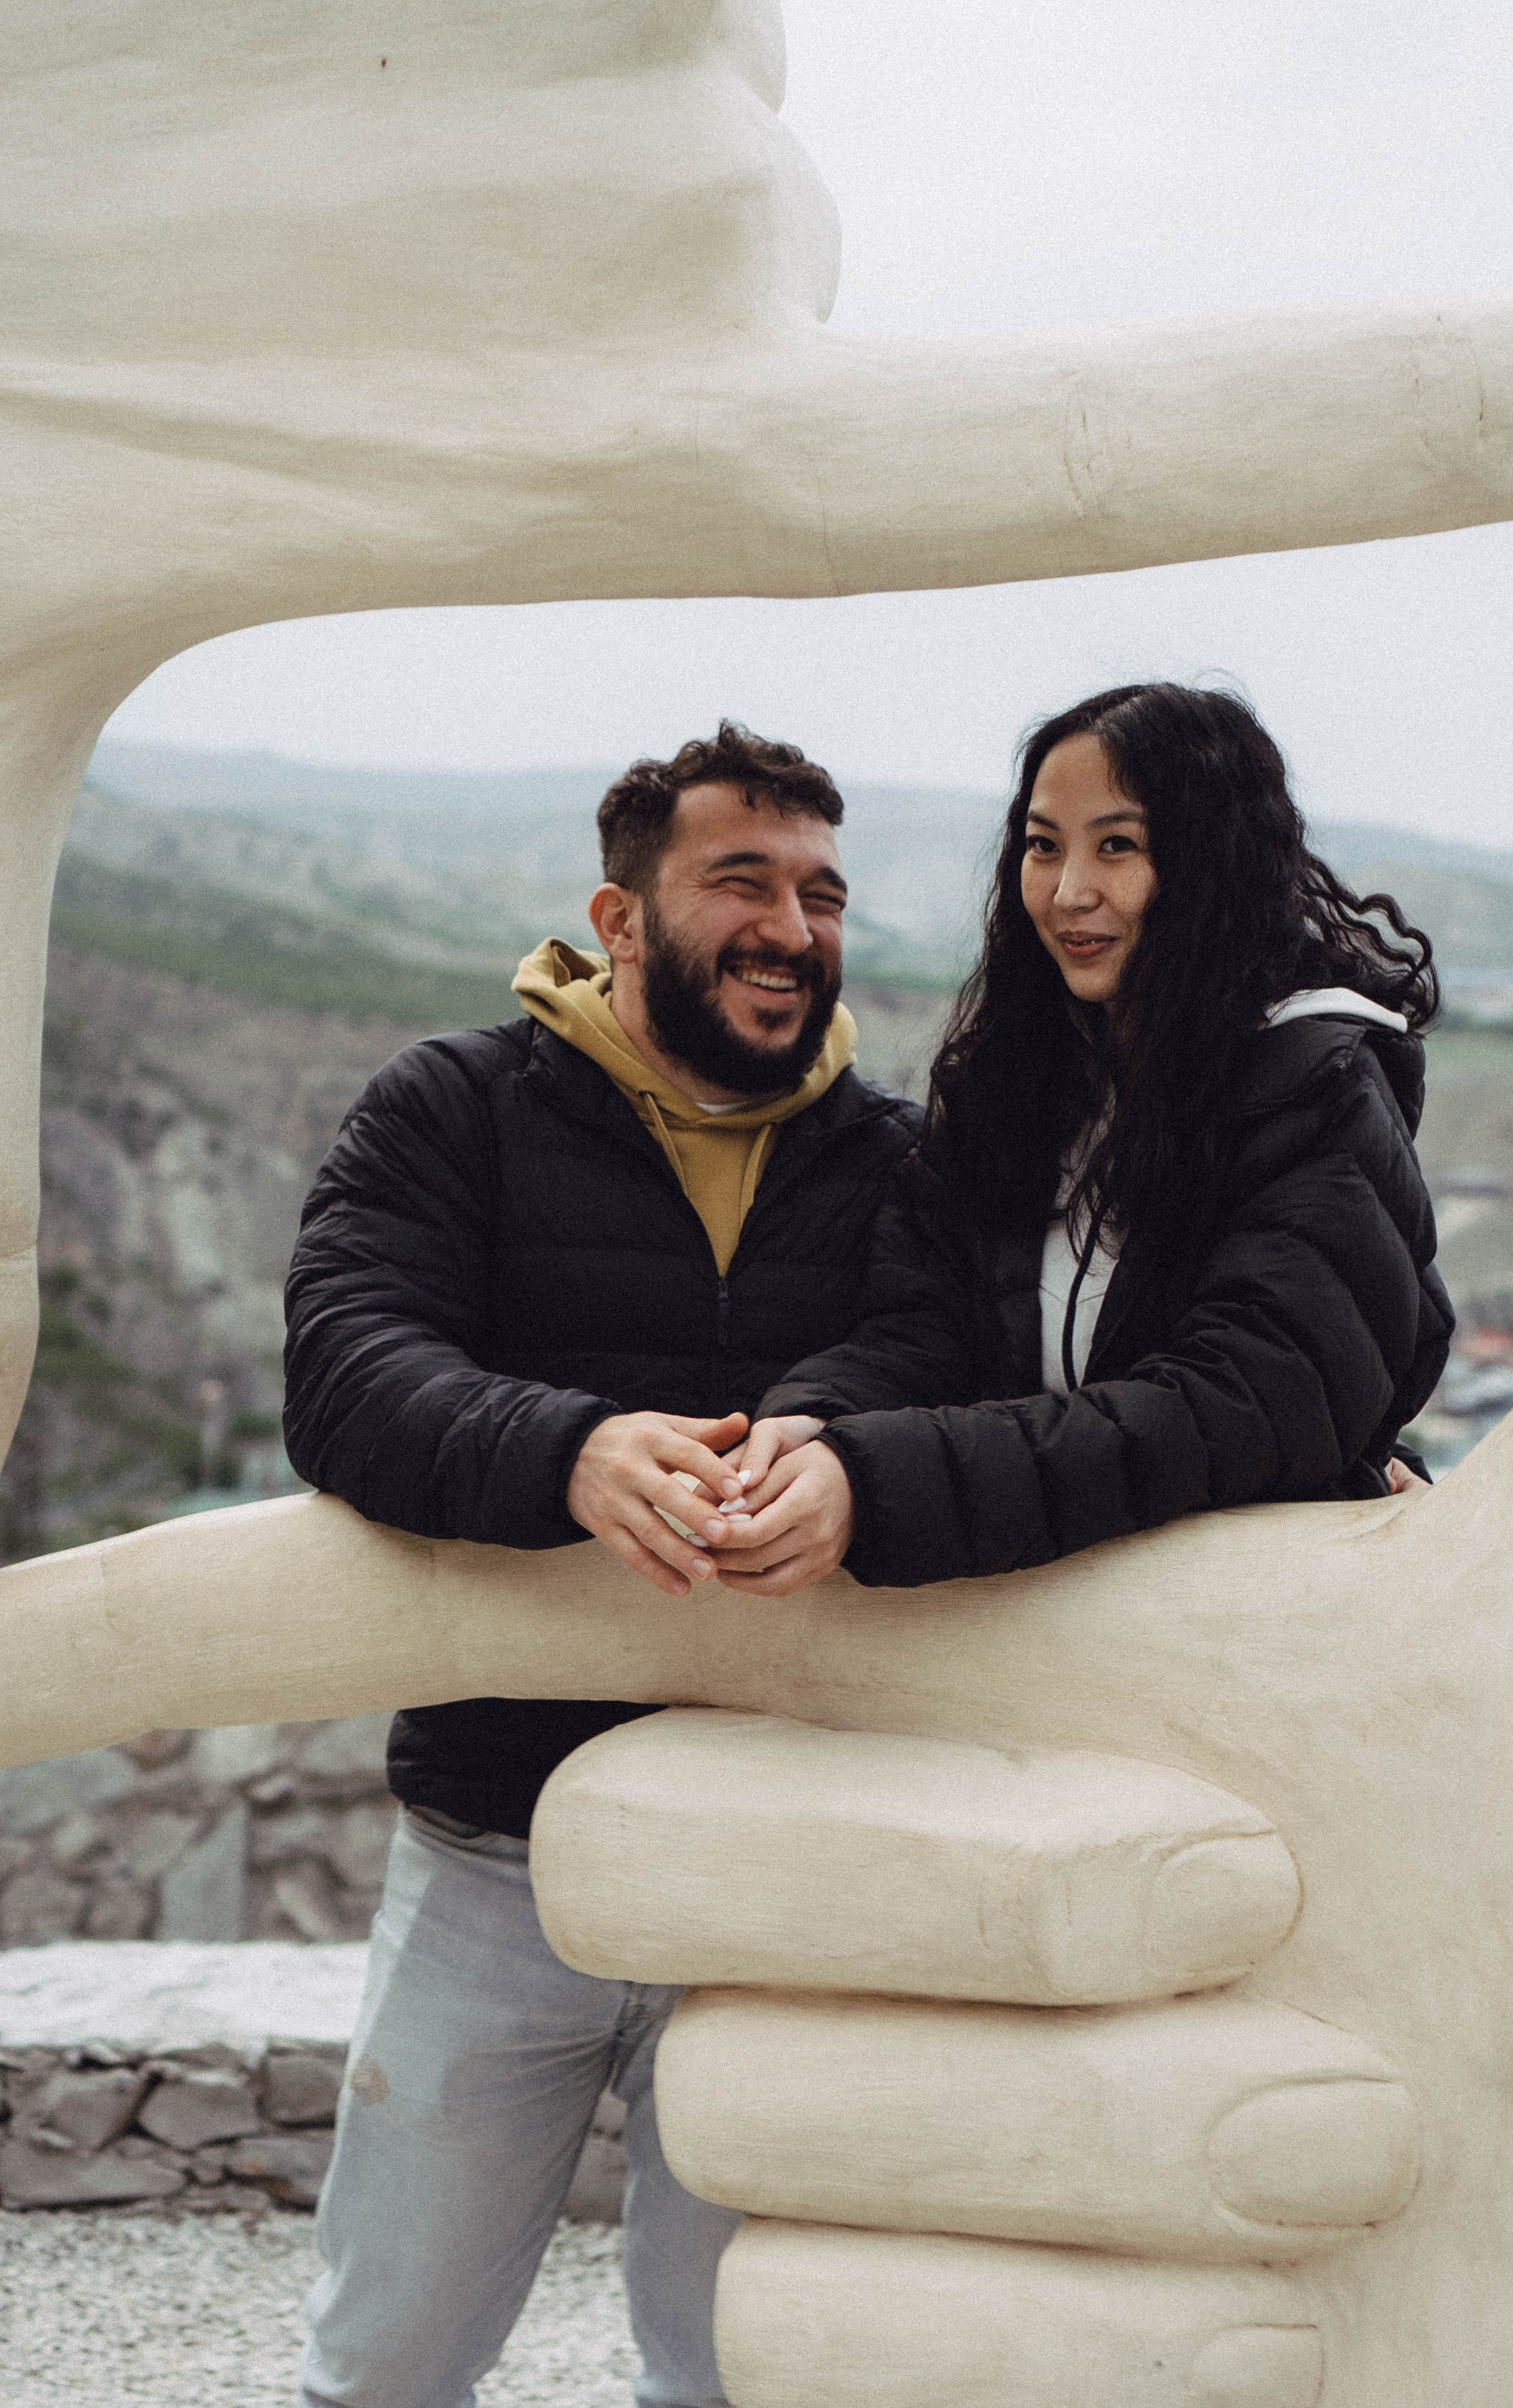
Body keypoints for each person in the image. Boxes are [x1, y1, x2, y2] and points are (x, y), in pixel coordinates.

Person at [280, 724, 920, 2408]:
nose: (791, 923)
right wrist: (561, 1448)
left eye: (821, 890)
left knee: (739, 2371)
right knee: (387, 2355)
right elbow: (344, 1367)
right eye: (741, 882)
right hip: (501, 1849)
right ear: (620, 917)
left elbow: (932, 1353)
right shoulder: (452, 1106)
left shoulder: (901, 1158)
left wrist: (827, 1437)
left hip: (785, 1866)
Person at [697, 682, 1453, 1598]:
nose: (1068, 893)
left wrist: (878, 1482)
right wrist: (816, 1421)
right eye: (1043, 848)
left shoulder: (1312, 1085)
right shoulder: (1021, 1084)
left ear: (1212, 861)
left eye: (1118, 847)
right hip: (1038, 1614)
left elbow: (1244, 1406)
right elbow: (922, 1329)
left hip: (1243, 1627)